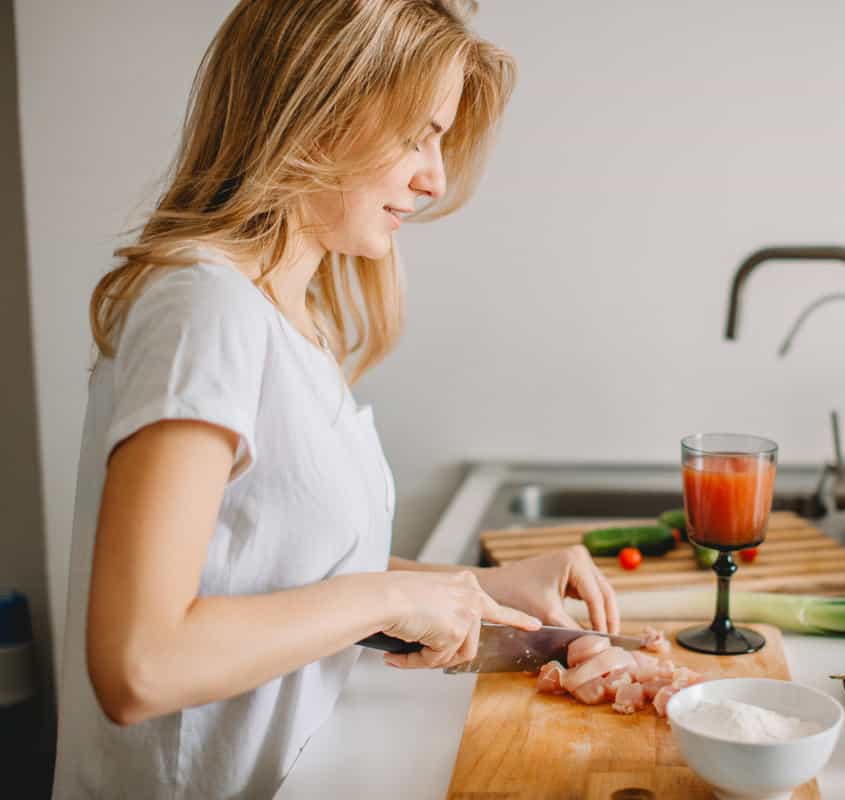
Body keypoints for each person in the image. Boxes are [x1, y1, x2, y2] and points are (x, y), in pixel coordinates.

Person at [52, 2, 619, 797]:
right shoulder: (205, 308)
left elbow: (260, 565)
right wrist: (392, 594)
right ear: (320, 111)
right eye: (418, 134)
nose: (436, 177)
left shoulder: (289, 319)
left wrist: (467, 590)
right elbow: (140, 663)